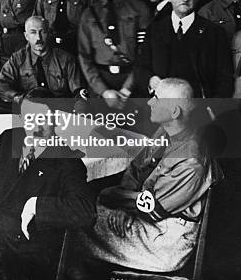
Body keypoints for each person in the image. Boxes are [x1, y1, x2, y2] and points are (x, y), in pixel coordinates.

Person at [72, 78, 220, 276]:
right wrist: (120, 203)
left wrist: (119, 204)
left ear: (174, 112)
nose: (149, 102)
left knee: (74, 219)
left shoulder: (191, 162)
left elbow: (153, 207)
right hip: (144, 215)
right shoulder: (165, 131)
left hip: (165, 238)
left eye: (156, 99)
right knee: (76, 211)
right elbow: (135, 169)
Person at [0, 89, 96, 280]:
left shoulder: (66, 159)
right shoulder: (8, 139)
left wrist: (37, 205)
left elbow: (86, 210)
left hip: (27, 248)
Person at [135, 0, 234, 98]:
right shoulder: (154, 29)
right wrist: (150, 79)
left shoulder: (214, 33)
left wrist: (213, 108)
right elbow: (140, 67)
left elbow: (224, 79)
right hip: (160, 106)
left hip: (200, 108)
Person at [78, 0, 150, 108]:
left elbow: (144, 53)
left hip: (134, 82)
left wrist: (126, 90)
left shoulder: (138, 9)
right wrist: (103, 91)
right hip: (101, 84)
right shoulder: (89, 15)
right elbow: (84, 57)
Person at [0, 16, 86, 113]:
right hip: (29, 111)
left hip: (59, 112)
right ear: (26, 36)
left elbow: (79, 93)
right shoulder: (18, 58)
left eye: (42, 32)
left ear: (48, 33)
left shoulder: (66, 59)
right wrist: (19, 98)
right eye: (33, 32)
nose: (38, 38)